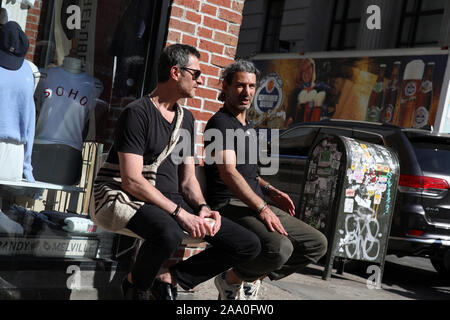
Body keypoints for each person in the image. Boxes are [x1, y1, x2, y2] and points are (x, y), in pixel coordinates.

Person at [92, 44, 261, 300]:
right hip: (136, 199)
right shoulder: (137, 113)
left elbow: (188, 178)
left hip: (174, 202)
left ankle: (170, 278)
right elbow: (132, 180)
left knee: (248, 244)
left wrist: (202, 207)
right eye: (195, 74)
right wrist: (180, 214)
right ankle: (135, 288)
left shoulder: (187, 119)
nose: (201, 81)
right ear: (175, 72)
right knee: (168, 232)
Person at [204, 60, 328, 300]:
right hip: (229, 205)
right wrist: (262, 208)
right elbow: (229, 172)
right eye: (240, 85)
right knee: (280, 248)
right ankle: (230, 280)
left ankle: (249, 278)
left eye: (251, 86)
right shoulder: (220, 123)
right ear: (226, 87)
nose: (247, 92)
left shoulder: (247, 125)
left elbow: (249, 172)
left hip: (253, 202)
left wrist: (271, 190)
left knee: (316, 243)